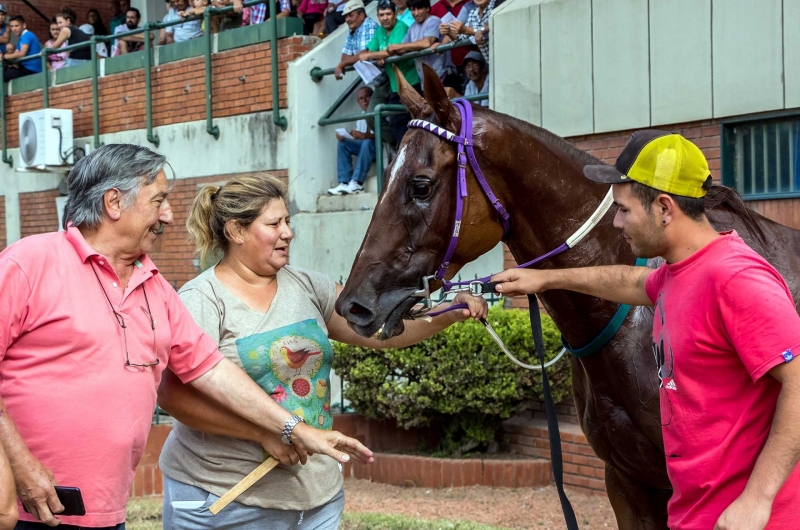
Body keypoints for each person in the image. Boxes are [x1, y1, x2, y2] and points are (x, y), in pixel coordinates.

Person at [0, 144, 373, 529]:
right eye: (158, 200)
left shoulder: (153, 285)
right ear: (113, 202)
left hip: (103, 510)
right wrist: (21, 465)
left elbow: (210, 369)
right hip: (29, 504)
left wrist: (293, 428)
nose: (168, 214)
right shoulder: (30, 262)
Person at [492, 131, 800, 530]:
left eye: (623, 210)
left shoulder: (736, 279)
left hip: (748, 519)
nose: (616, 223)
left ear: (664, 209)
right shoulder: (676, 273)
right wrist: (545, 280)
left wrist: (756, 501)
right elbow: (632, 282)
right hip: (695, 512)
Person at [158, 172, 487, 529]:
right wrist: (265, 432)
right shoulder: (202, 300)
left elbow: (377, 328)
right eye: (274, 223)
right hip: (226, 497)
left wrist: (447, 314)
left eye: (288, 221)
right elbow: (173, 396)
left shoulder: (307, 285)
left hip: (316, 499)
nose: (288, 232)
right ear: (236, 231)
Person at [358, 0, 419, 143]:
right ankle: (401, 152)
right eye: (381, 15)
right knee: (397, 123)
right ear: (377, 16)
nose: (385, 18)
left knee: (403, 123)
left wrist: (377, 55)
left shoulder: (401, 27)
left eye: (388, 14)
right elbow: (371, 50)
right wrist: (379, 54)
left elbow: (391, 51)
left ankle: (404, 155)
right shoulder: (380, 31)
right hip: (395, 85)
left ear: (395, 14)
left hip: (410, 83)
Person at [386, 0, 455, 89]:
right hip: (427, 81)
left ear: (427, 8)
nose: (416, 13)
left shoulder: (433, 20)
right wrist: (392, 50)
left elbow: (426, 43)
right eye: (413, 9)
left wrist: (399, 46)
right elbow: (402, 49)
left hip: (443, 76)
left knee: (452, 102)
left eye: (419, 8)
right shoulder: (412, 27)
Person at [328, 86, 375, 195]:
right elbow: (359, 137)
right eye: (361, 98)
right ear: (358, 102)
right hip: (365, 147)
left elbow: (385, 136)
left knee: (367, 142)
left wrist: (364, 135)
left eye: (367, 97)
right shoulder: (361, 116)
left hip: (378, 147)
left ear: (372, 97)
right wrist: (346, 136)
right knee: (343, 143)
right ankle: (344, 182)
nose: (364, 100)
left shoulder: (380, 110)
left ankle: (357, 182)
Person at [437, 0, 493, 65]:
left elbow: (492, 26)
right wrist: (448, 32)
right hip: (491, 63)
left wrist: (465, 30)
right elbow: (460, 37)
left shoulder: (498, 5)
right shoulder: (473, 13)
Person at [332, 0, 377, 79]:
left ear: (361, 15)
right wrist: (343, 63)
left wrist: (342, 64)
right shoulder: (353, 30)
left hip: (387, 77)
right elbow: (345, 58)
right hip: (376, 79)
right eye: (345, 16)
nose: (347, 19)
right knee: (362, 91)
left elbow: (364, 54)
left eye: (350, 15)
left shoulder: (369, 25)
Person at [1, 16, 42, 80]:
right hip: (25, 67)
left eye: (17, 26)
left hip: (32, 69)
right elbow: (16, 55)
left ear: (24, 25)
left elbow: (22, 53)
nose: (14, 29)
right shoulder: (20, 39)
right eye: (12, 26)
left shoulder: (27, 35)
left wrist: (4, 57)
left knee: (6, 74)